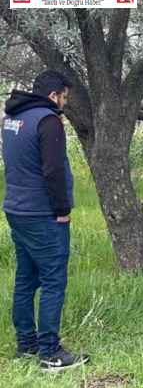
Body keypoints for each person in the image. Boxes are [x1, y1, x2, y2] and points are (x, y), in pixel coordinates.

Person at [2, 70, 90, 371]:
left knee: (26, 278)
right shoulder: (47, 120)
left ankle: (27, 343)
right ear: (54, 95)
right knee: (53, 281)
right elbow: (51, 170)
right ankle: (50, 353)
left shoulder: (12, 118)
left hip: (16, 208)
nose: (64, 104)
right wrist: (62, 209)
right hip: (43, 214)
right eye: (64, 97)